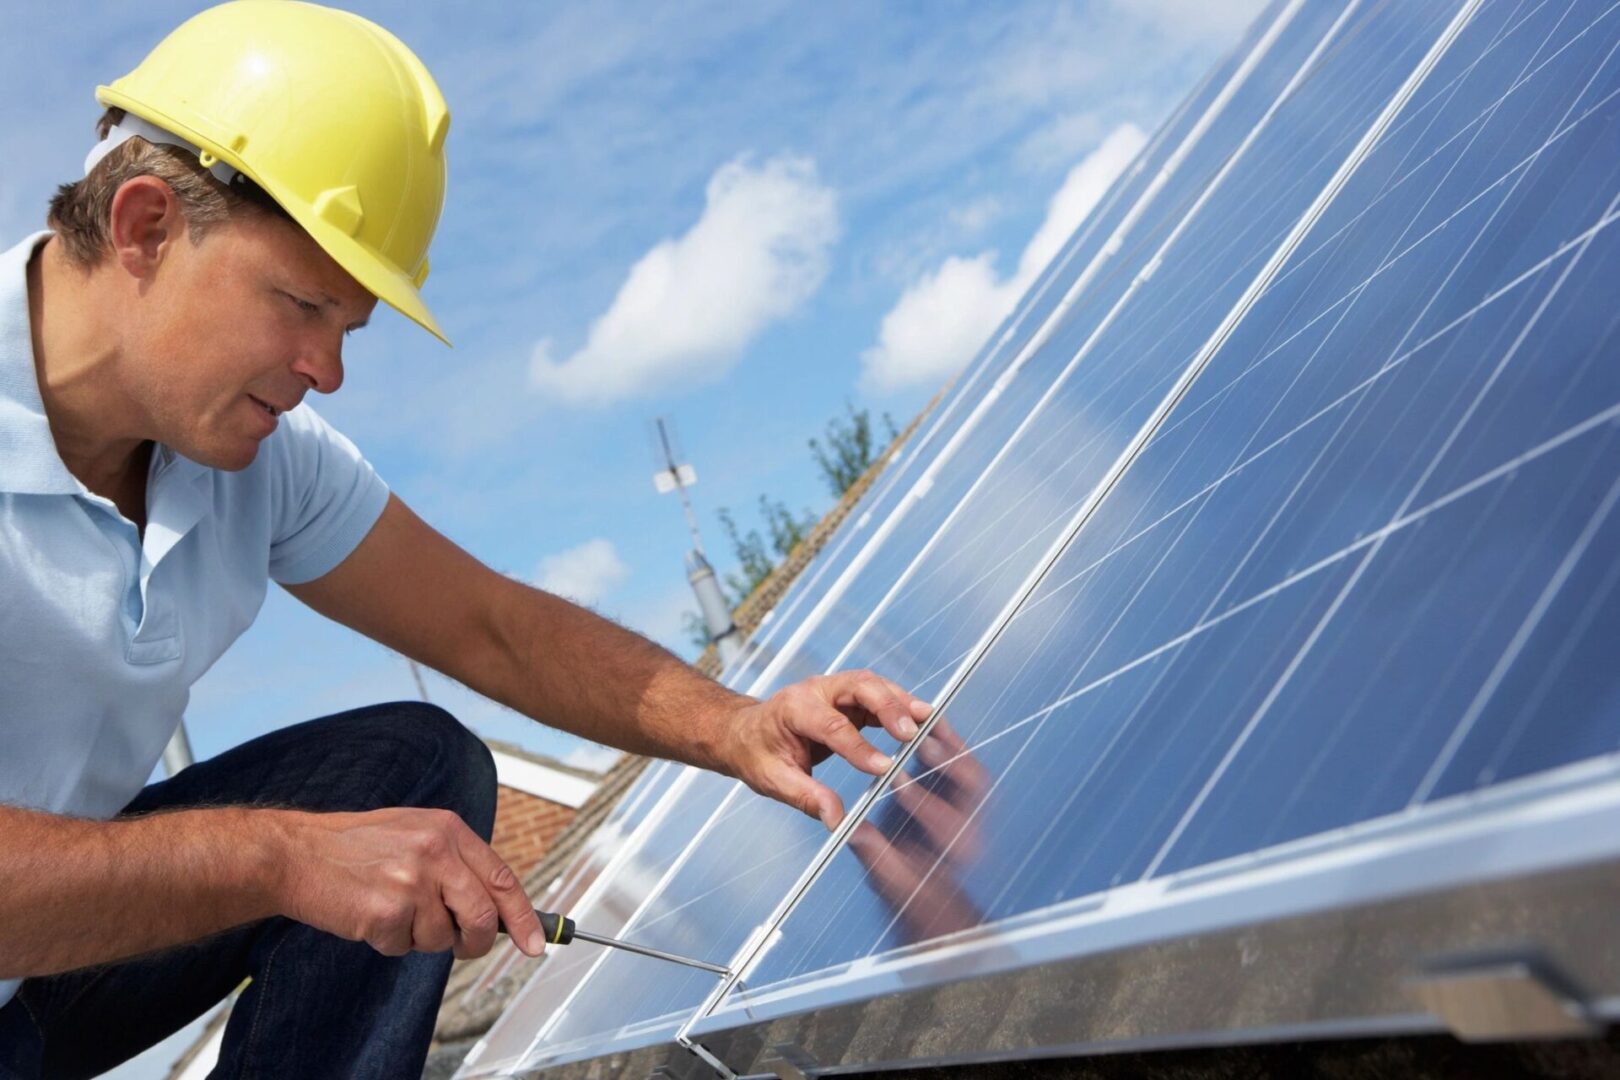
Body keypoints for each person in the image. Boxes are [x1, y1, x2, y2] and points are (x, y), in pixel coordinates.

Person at [0, 4, 931, 1077]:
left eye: (347, 330)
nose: (327, 372)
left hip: (39, 981)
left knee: (412, 770)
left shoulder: (252, 458)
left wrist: (736, 727)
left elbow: (493, 628)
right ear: (146, 227)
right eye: (300, 305)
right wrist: (281, 857)